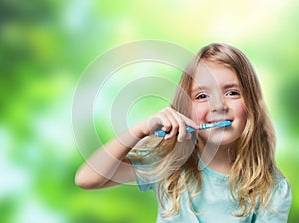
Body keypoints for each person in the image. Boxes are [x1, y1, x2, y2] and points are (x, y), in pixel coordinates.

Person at [75, 43, 292, 222]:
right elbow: (87, 178)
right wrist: (138, 130)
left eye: (232, 92)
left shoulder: (273, 189)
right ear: (185, 110)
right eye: (202, 96)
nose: (218, 105)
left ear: (252, 105)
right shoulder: (166, 164)